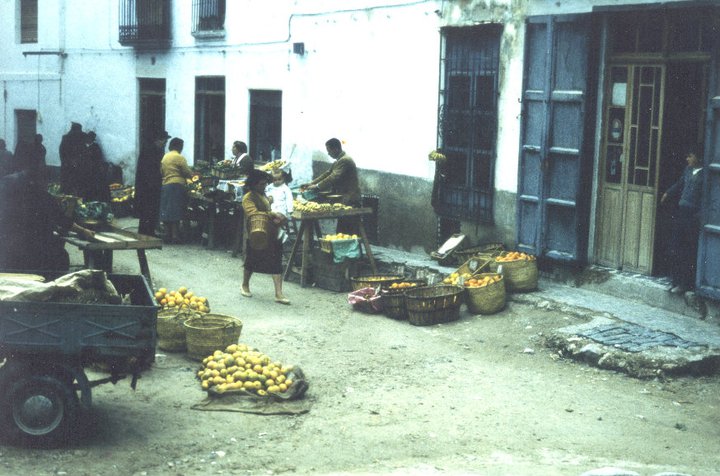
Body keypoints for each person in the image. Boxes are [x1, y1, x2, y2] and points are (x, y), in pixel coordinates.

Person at [0, 158, 94, 272]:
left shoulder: (8, 183)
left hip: (6, 250)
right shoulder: (42, 195)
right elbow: (62, 220)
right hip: (32, 251)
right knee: (61, 256)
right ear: (40, 179)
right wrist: (83, 231)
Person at [241, 169, 290, 305]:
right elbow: (253, 213)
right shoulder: (248, 198)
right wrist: (272, 215)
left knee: (276, 261)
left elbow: (266, 208)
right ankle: (245, 285)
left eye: (264, 184)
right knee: (251, 260)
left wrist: (274, 213)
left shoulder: (262, 194)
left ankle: (278, 294)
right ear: (253, 185)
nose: (264, 186)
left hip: (271, 231)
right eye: (261, 184)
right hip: (256, 232)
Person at [660, 150, 704, 294]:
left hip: (692, 216)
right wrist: (667, 193)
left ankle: (684, 284)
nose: (687, 159)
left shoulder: (705, 174)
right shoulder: (687, 170)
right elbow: (679, 184)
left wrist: (699, 215)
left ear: (698, 157)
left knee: (687, 250)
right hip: (681, 212)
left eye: (690, 156)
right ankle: (675, 281)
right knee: (675, 247)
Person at [300, 137, 361, 234]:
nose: (328, 153)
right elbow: (327, 174)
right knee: (342, 228)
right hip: (344, 197)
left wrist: (317, 187)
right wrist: (311, 184)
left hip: (350, 198)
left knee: (348, 229)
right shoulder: (339, 160)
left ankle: (348, 247)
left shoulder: (345, 160)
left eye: (329, 151)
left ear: (336, 149)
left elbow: (333, 177)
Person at [135, 129, 170, 236]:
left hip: (149, 185)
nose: (165, 144)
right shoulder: (152, 151)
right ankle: (146, 232)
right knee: (148, 210)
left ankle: (148, 231)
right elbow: (149, 171)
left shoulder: (153, 150)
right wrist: (154, 184)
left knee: (150, 210)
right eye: (164, 141)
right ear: (158, 140)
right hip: (149, 186)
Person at [160, 137, 193, 244]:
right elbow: (187, 172)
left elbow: (161, 171)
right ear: (179, 146)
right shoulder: (179, 157)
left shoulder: (165, 157)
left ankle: (167, 234)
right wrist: (192, 176)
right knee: (176, 211)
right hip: (176, 185)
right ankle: (175, 236)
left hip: (165, 184)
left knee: (166, 210)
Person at [78, 131, 111, 203]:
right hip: (87, 171)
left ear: (92, 139)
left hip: (94, 171)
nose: (88, 140)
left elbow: (98, 159)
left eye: (89, 138)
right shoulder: (85, 147)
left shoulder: (96, 147)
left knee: (93, 186)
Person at [265, 169, 294, 242]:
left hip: (281, 211)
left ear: (283, 179)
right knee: (268, 221)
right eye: (274, 180)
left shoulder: (285, 189)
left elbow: (289, 199)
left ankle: (280, 235)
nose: (277, 181)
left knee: (276, 221)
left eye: (279, 179)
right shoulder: (269, 187)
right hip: (271, 210)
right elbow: (265, 195)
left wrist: (290, 210)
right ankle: (275, 236)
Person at [59, 122, 87, 196]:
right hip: (68, 165)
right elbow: (63, 152)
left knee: (77, 183)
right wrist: (70, 161)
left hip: (78, 165)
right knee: (68, 183)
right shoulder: (66, 138)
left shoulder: (81, 137)